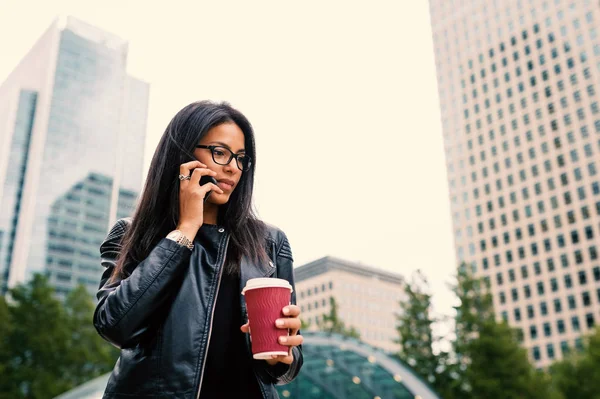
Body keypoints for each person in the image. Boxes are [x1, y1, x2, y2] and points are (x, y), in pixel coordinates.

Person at [93, 101, 303, 398]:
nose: (233, 167)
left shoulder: (270, 241)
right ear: (184, 154)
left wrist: (282, 356)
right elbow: (115, 325)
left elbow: (285, 368)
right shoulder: (132, 232)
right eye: (220, 152)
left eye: (242, 158)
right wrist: (185, 229)